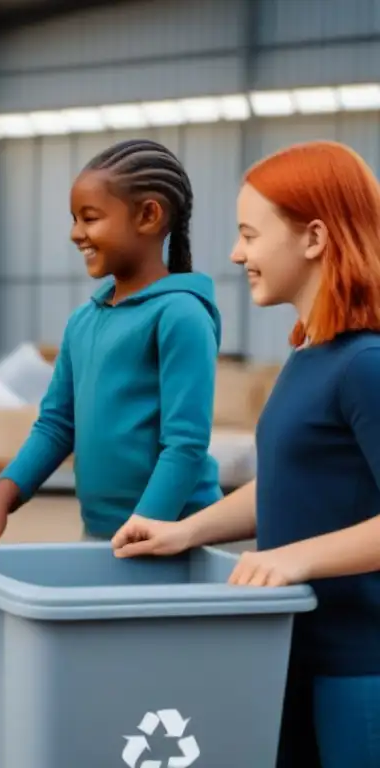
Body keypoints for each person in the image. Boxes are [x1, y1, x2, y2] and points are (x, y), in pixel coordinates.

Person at [111, 140, 380, 767]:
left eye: (249, 234)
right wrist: (186, 531)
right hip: (294, 652)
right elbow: (290, 484)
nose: (236, 254)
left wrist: (292, 559)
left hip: (358, 672)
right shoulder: (313, 357)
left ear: (313, 237)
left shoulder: (366, 364)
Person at [0, 138, 222, 545]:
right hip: (104, 536)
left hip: (174, 537)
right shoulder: (84, 321)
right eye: (74, 219)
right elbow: (57, 425)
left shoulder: (181, 315)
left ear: (148, 216)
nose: (76, 234)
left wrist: (142, 530)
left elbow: (185, 445)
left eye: (90, 218)